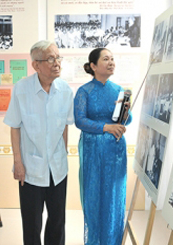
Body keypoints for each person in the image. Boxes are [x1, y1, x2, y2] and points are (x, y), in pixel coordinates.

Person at [3, 40, 74, 245]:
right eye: (50, 59)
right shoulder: (22, 89)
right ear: (35, 65)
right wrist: (18, 163)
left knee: (57, 221)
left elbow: (65, 127)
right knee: (32, 223)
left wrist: (64, 154)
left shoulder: (65, 90)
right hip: (30, 169)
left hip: (58, 169)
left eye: (58, 57)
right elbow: (14, 127)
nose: (56, 63)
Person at [74, 48, 132, 244]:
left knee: (113, 197)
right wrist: (106, 127)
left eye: (112, 59)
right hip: (92, 152)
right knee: (94, 197)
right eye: (106, 59)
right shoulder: (84, 91)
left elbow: (126, 121)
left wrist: (125, 110)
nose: (111, 62)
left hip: (115, 152)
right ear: (93, 66)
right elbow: (80, 121)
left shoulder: (118, 90)